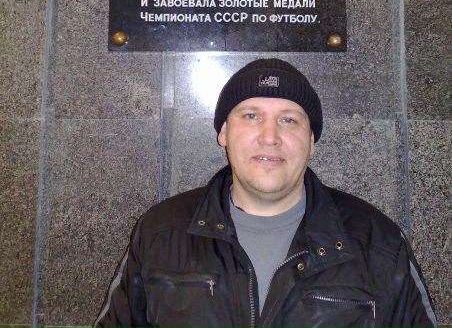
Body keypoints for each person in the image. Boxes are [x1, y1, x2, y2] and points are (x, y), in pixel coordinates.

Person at [93, 58, 437, 327]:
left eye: (289, 120)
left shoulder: (379, 243)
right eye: (251, 116)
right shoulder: (159, 233)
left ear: (311, 141)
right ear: (224, 133)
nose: (270, 136)